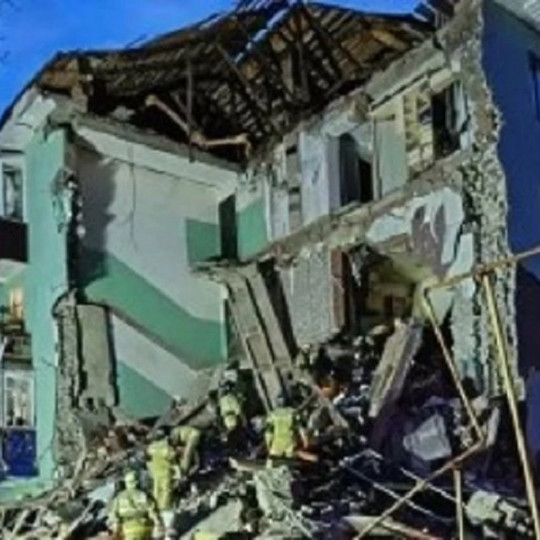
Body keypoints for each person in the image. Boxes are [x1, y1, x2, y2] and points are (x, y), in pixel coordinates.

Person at [108, 469, 163, 540]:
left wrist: (116, 531)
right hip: (145, 527)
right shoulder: (144, 495)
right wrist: (158, 525)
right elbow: (153, 512)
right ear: (137, 482)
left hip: (128, 529)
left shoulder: (119, 497)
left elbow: (114, 516)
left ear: (126, 483)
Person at [147, 433, 178, 512]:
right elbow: (172, 456)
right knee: (166, 490)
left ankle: (156, 506)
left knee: (156, 489)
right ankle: (164, 507)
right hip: (165, 471)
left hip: (155, 471)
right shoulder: (166, 447)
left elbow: (148, 454)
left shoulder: (151, 447)